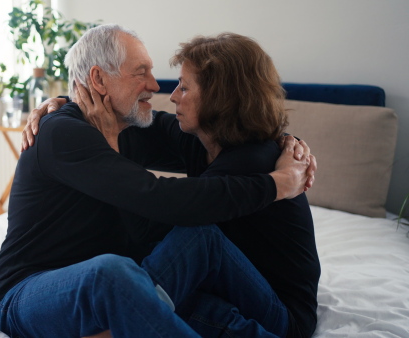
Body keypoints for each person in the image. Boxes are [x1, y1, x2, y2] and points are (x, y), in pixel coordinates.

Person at [0, 24, 315, 337]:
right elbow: (156, 205)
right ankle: (8, 273)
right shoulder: (65, 133)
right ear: (99, 79)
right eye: (141, 73)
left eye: (179, 84)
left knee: (184, 250)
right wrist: (280, 182)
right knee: (114, 272)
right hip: (30, 289)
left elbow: (173, 207)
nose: (158, 87)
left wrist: (284, 158)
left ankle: (119, 315)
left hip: (85, 278)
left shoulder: (131, 126)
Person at [70, 32, 320, 338]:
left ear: (220, 97)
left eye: (184, 88)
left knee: (183, 260)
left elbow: (149, 227)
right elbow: (133, 123)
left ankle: (120, 319)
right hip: (232, 285)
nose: (173, 95)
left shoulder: (252, 161)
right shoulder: (203, 141)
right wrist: (65, 106)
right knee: (171, 293)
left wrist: (109, 144)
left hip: (282, 315)